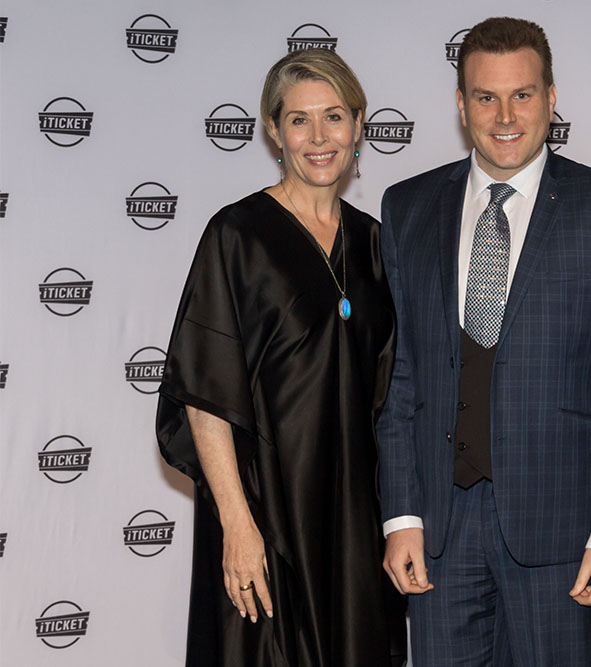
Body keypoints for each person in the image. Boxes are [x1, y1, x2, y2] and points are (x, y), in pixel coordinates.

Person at [377, 16, 591, 667]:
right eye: (485, 97)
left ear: (551, 97)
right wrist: (402, 516)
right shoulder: (408, 208)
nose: (505, 114)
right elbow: (401, 381)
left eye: (523, 94)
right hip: (440, 533)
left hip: (563, 534)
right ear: (460, 104)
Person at [156, 48, 405, 666]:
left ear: (358, 124)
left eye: (334, 117)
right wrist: (238, 526)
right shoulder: (236, 235)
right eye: (299, 120)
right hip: (264, 510)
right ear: (273, 129)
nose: (319, 138)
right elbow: (204, 394)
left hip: (355, 521)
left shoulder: (378, 243)